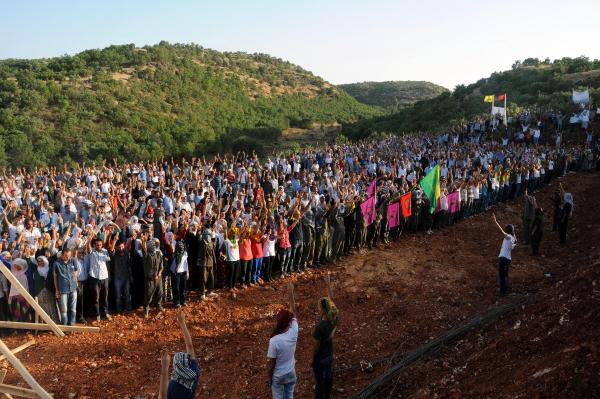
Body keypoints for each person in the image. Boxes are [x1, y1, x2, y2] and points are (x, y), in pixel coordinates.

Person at [159, 311, 200, 399]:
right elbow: (190, 348)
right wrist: (182, 323)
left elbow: (162, 396)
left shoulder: (174, 388)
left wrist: (164, 367)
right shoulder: (194, 371)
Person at [267, 282, 298, 399]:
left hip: (279, 376)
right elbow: (293, 311)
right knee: (289, 396)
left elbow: (271, 363)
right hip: (291, 373)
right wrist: (291, 293)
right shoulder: (294, 330)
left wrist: (270, 378)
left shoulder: (274, 340)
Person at [313, 274, 339, 399]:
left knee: (319, 383)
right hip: (329, 354)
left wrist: (311, 359)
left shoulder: (320, 326)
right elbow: (333, 304)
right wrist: (328, 285)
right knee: (329, 379)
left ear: (322, 309)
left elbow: (316, 346)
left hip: (321, 358)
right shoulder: (334, 319)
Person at [492, 213, 517, 296]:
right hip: (508, 259)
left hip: (503, 258)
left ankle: (503, 291)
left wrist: (495, 222)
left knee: (502, 275)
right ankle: (504, 290)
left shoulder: (509, 237)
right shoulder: (513, 238)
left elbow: (501, 231)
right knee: (505, 275)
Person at [87, 238, 112, 321]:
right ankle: (97, 314)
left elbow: (109, 259)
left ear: (102, 245)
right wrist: (88, 240)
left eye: (100, 245)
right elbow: (88, 248)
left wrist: (102, 255)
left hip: (104, 277)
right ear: (94, 245)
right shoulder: (92, 251)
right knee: (96, 297)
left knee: (105, 296)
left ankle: (106, 312)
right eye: (97, 245)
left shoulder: (105, 251)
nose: (99, 246)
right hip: (94, 277)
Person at [53, 248, 78, 326]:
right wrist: (57, 290)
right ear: (62, 255)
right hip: (63, 289)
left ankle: (72, 325)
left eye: (69, 256)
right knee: (64, 310)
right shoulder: (56, 263)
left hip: (73, 288)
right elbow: (55, 278)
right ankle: (65, 326)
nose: (68, 258)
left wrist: (76, 282)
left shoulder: (73, 260)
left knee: (73, 308)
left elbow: (76, 272)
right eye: (66, 256)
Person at [142, 236, 164, 318]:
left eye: (154, 245)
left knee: (160, 292)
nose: (154, 246)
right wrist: (143, 241)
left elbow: (161, 265)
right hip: (150, 279)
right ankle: (146, 309)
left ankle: (158, 305)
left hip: (158, 278)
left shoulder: (158, 253)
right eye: (152, 245)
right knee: (148, 295)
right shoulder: (146, 256)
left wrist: (159, 274)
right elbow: (144, 250)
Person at [170, 241, 188, 307]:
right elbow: (171, 248)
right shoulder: (174, 254)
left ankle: (183, 301)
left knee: (183, 287)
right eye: (179, 247)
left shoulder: (185, 253)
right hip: (175, 273)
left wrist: (187, 272)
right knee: (176, 288)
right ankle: (176, 302)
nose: (181, 248)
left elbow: (186, 263)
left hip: (183, 272)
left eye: (182, 246)